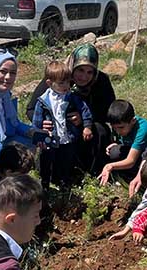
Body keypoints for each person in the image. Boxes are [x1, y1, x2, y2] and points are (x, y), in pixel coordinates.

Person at [26, 44, 116, 174]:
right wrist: (42, 123)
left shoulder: (101, 81)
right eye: (80, 70)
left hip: (84, 129)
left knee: (101, 130)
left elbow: (109, 112)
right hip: (57, 130)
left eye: (89, 72)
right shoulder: (58, 77)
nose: (84, 77)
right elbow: (31, 109)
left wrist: (85, 119)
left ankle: (90, 170)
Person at [32, 61, 93, 188]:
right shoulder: (43, 101)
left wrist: (87, 126)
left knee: (65, 160)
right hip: (50, 138)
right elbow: (37, 120)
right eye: (61, 83)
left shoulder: (72, 97)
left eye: (68, 82)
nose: (66, 86)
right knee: (47, 160)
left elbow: (84, 110)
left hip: (67, 137)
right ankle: (45, 183)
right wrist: (38, 135)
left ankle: (63, 182)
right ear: (49, 83)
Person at [0, 48, 43, 162]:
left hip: (5, 140)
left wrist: (32, 132)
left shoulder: (4, 95)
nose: (8, 77)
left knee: (37, 141)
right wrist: (9, 164)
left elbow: (13, 125)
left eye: (12, 73)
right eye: (3, 71)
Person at [98, 99, 147, 185]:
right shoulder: (120, 126)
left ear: (133, 121)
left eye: (121, 128)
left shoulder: (143, 130)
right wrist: (118, 144)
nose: (118, 131)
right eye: (114, 128)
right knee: (114, 151)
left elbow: (131, 161)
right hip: (137, 153)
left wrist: (109, 166)